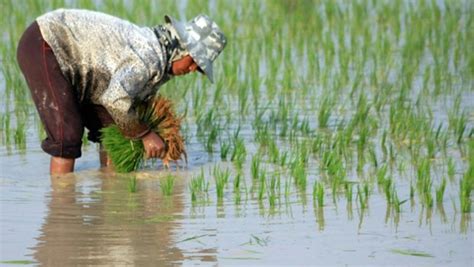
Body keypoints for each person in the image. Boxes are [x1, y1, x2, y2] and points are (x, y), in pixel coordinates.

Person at [16, 9, 227, 175]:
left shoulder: (160, 62)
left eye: (198, 69)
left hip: (83, 69)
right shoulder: (148, 57)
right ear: (182, 49)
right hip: (46, 43)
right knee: (67, 135)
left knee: (112, 129)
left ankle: (111, 189)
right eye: (194, 63)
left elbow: (118, 106)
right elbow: (116, 100)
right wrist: (146, 134)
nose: (192, 70)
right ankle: (62, 209)